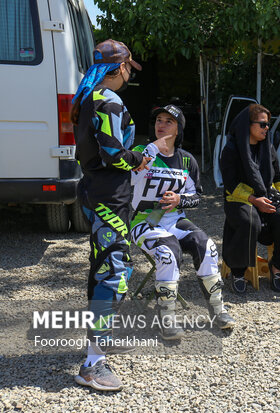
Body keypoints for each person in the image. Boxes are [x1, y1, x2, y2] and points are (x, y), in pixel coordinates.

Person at [71, 39, 147, 391]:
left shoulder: (87, 98)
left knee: (101, 265)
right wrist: (137, 159)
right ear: (118, 68)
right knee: (116, 270)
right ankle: (93, 363)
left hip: (92, 191)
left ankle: (94, 346)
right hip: (109, 197)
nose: (130, 74)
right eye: (130, 67)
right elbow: (115, 154)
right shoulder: (109, 100)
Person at [129, 105, 235, 340]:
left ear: (179, 129)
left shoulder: (187, 160)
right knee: (168, 251)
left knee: (207, 246)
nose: (161, 125)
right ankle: (166, 316)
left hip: (175, 220)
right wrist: (150, 151)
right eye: (158, 120)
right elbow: (129, 180)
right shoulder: (139, 151)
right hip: (143, 222)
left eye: (168, 121)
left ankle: (218, 310)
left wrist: (179, 199)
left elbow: (196, 197)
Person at [220, 104, 280, 293]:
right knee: (249, 222)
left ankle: (277, 267)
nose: (266, 128)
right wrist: (254, 200)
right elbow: (230, 185)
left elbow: (277, 178)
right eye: (262, 124)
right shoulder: (231, 150)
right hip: (238, 198)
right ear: (247, 125)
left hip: (266, 195)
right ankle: (238, 271)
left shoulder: (267, 148)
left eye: (267, 124)